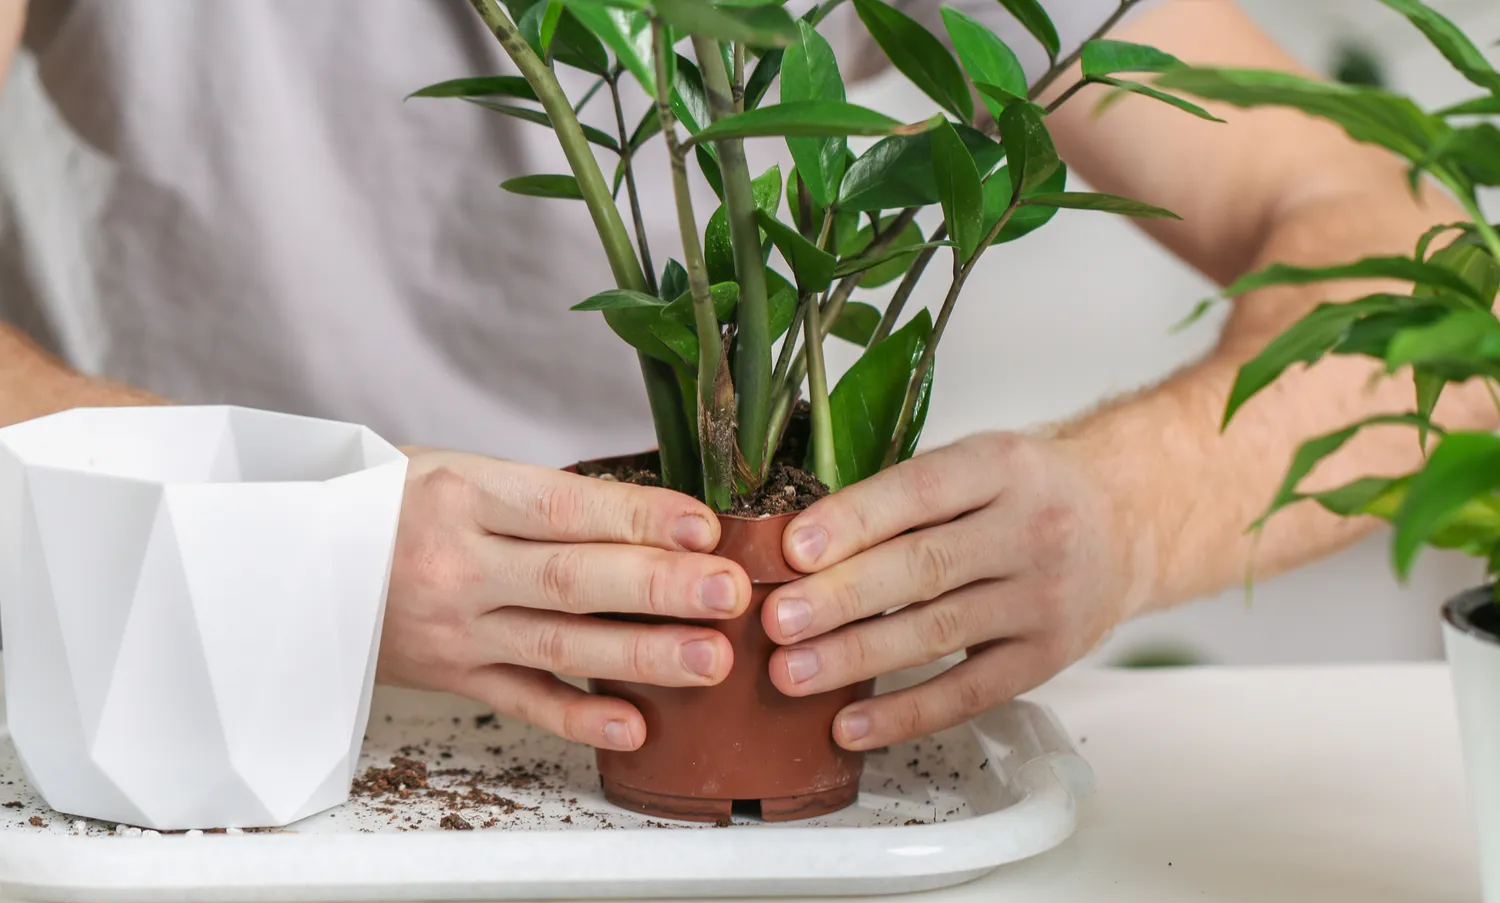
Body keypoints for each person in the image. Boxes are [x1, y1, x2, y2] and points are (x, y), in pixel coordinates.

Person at [0, 0, 1490, 754]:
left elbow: (1438, 294)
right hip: (184, 701)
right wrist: (288, 536)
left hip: (797, 756)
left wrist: (1134, 511)